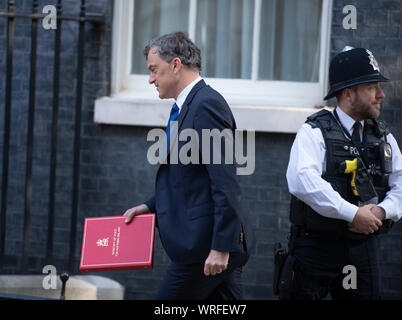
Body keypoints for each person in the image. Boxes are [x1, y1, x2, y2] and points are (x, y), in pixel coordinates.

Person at [122, 32, 254, 300]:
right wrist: (150, 205)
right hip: (207, 244)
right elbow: (187, 177)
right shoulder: (186, 108)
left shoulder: (206, 106)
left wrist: (220, 247)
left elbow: (224, 180)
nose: (150, 79)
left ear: (176, 65)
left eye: (153, 70)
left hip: (205, 248)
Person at [283, 47, 402, 300]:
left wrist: (381, 211)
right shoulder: (314, 131)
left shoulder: (384, 138)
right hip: (315, 248)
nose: (381, 95)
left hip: (362, 250)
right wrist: (353, 213)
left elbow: (401, 183)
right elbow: (302, 182)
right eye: (371, 87)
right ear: (348, 93)